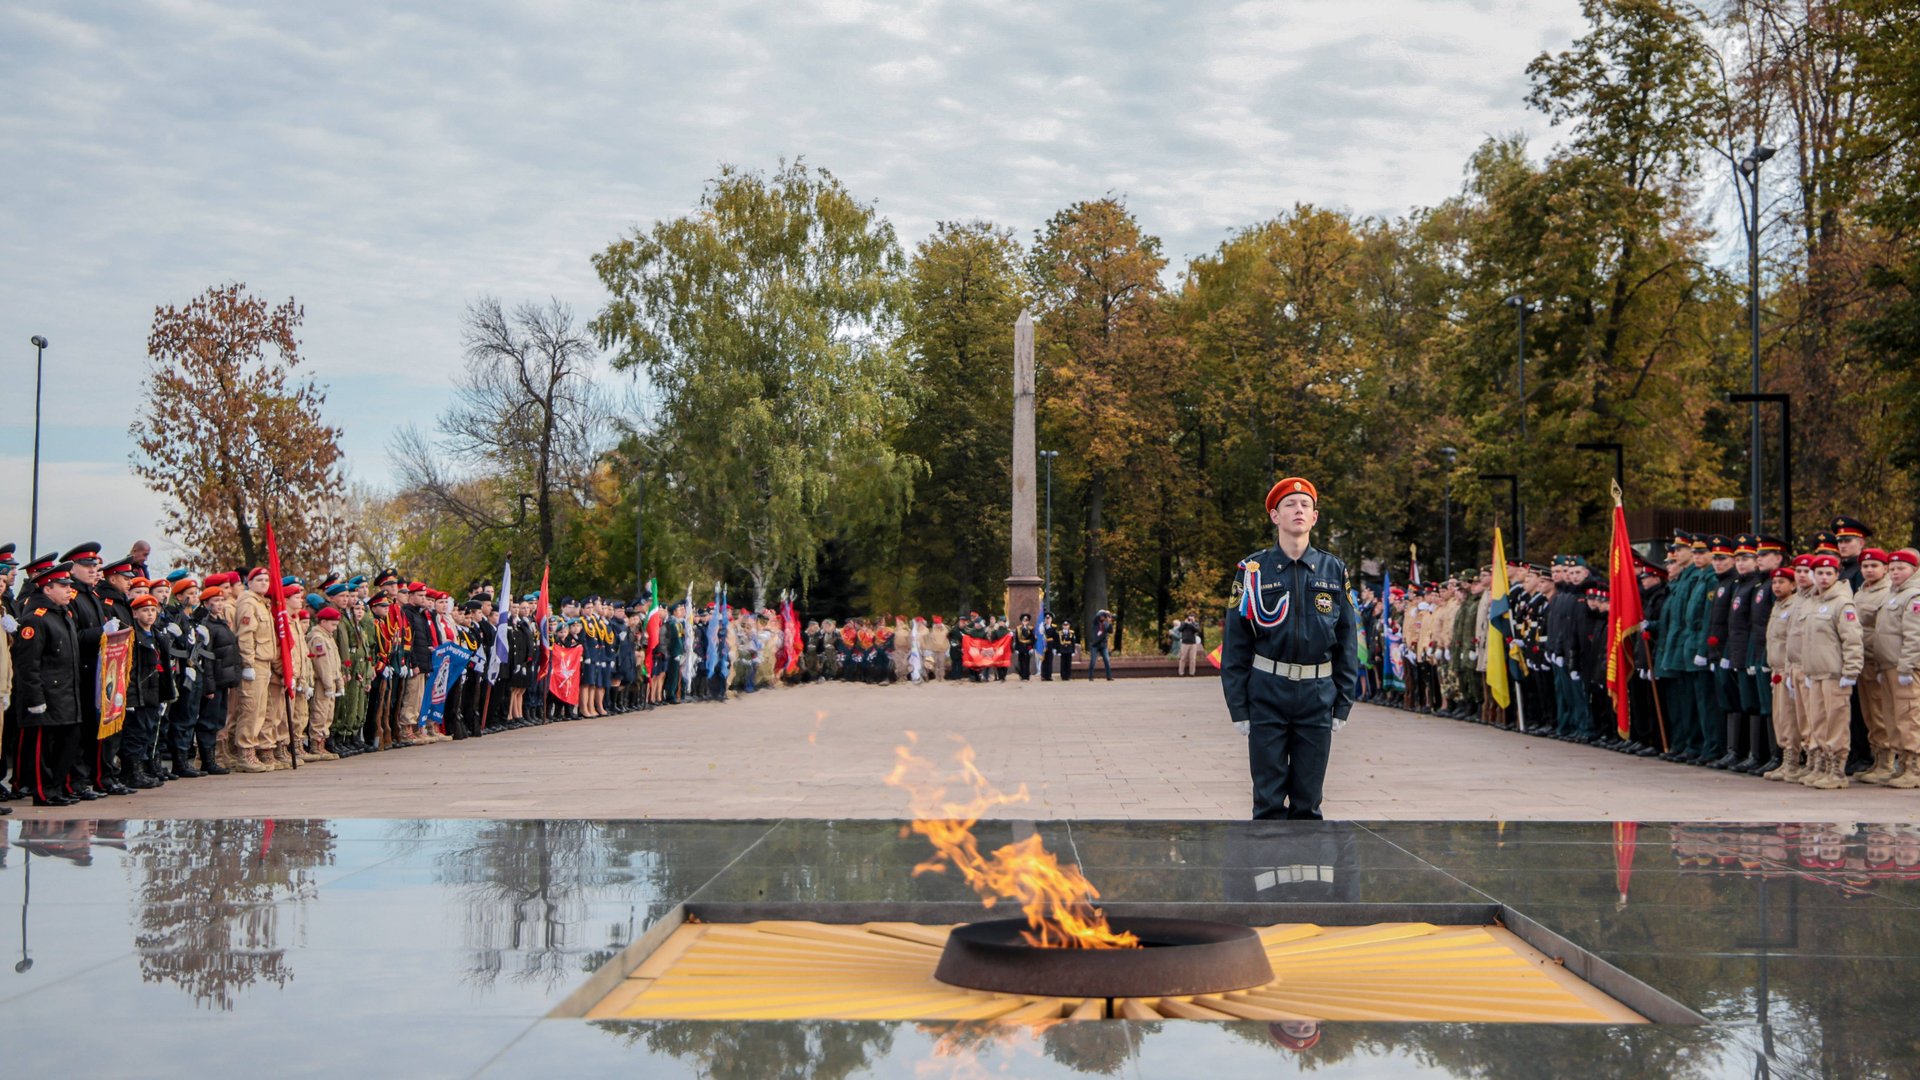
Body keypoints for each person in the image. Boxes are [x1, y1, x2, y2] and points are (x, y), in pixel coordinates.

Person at [1220, 476, 1360, 821]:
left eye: (1305, 505)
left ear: (1314, 517)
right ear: (1274, 516)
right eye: (1289, 505)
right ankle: (1267, 867)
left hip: (1317, 694)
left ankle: (1306, 873)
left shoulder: (1334, 569)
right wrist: (1238, 707)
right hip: (1268, 692)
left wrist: (1343, 703)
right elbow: (1236, 645)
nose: (1298, 510)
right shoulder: (1253, 570)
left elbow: (1347, 641)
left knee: (1308, 801)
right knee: (1267, 800)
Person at [13, 561, 84, 807]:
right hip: (47, 697)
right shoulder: (36, 620)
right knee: (43, 749)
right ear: (47, 588)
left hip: (67, 695)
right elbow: (27, 664)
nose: (69, 590)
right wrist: (35, 699)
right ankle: (43, 792)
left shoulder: (64, 616)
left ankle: (58, 786)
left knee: (67, 744)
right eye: (63, 586)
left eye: (69, 585)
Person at [1792, 553, 1863, 789]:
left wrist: (1851, 671)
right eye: (1819, 573)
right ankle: (1821, 764)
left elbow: (1852, 639)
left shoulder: (1842, 603)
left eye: (1828, 573)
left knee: (1836, 722)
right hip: (1815, 673)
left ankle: (1837, 770)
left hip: (1835, 674)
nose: (1823, 578)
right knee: (1819, 721)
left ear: (1836, 575)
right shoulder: (1812, 602)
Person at [1087, 610, 1114, 682]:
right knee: (1093, 661)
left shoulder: (1106, 624)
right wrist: (1105, 612)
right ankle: (1090, 676)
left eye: (1104, 616)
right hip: (1094, 645)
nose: (1102, 617)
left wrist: (1109, 621)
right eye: (1101, 616)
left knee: (1107, 660)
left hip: (1103, 645)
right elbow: (1096, 616)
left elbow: (1111, 631)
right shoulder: (1095, 622)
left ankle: (1109, 676)